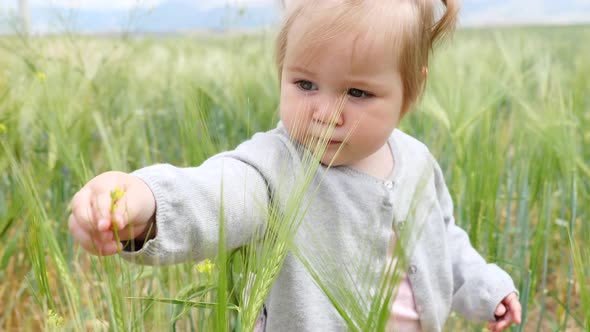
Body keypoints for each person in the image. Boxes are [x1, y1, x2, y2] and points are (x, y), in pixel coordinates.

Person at [68, 1, 522, 331]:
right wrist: (144, 204)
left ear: (410, 91)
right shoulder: (274, 166)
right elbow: (215, 194)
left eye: (358, 93)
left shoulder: (418, 162)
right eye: (305, 83)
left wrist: (486, 287)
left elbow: (444, 238)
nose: (326, 112)